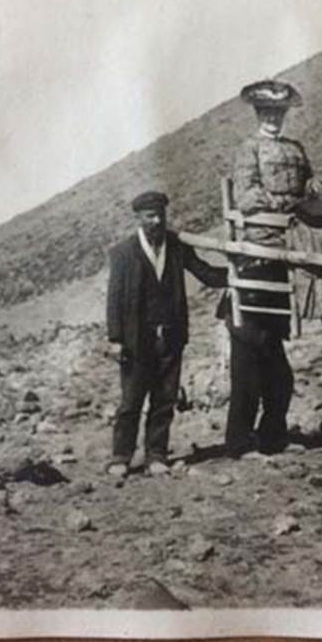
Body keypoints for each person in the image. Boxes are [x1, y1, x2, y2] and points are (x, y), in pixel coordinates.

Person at [224, 80, 318, 457]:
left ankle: (273, 436)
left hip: (288, 255)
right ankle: (238, 441)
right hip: (257, 256)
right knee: (247, 365)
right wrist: (288, 203)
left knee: (279, 370)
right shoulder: (248, 151)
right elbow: (247, 198)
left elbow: (311, 187)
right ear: (257, 114)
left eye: (278, 113)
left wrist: (309, 195)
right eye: (267, 113)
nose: (273, 119)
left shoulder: (296, 149)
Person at [105, 190, 226, 477]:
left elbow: (204, 272)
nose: (157, 221)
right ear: (139, 217)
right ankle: (121, 457)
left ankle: (156, 455)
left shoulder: (176, 246)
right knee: (131, 401)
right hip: (137, 340)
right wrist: (115, 339)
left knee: (164, 399)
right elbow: (114, 298)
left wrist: (238, 273)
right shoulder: (123, 253)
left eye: (160, 215)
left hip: (171, 337)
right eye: (150, 216)